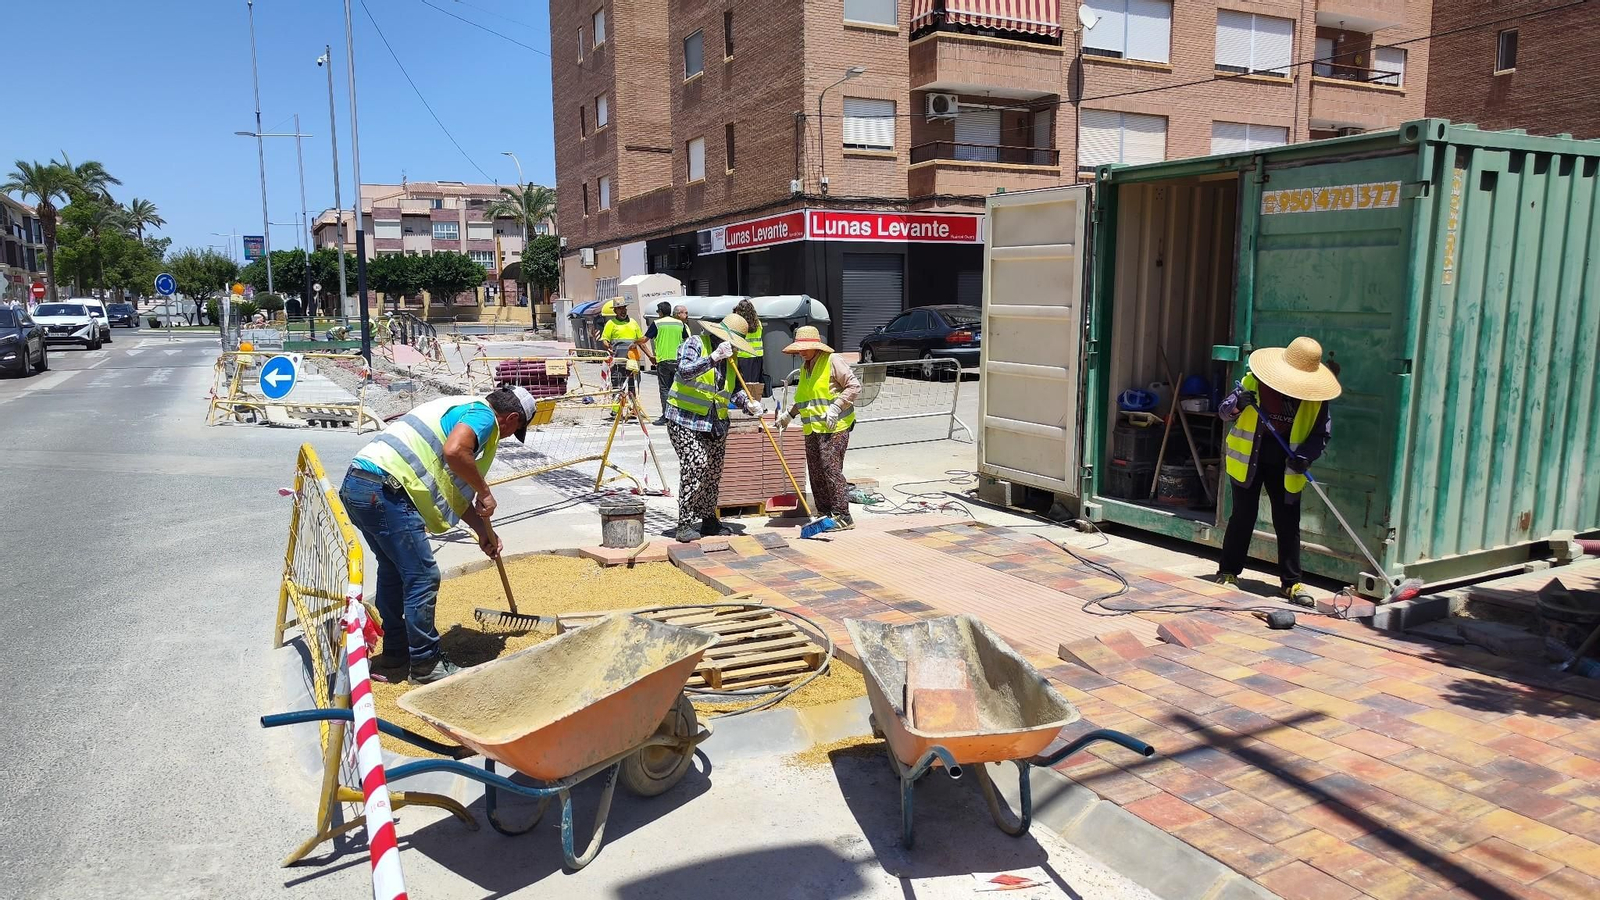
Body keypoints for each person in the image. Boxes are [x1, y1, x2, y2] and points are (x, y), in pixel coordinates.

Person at [340, 385, 538, 683]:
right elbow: (455, 451)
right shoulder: (483, 416)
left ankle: (396, 651)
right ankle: (425, 663)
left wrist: (481, 531)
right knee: (422, 576)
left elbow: (450, 488)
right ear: (511, 419)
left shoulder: (459, 407)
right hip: (386, 491)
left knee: (393, 571)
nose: (508, 436)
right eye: (515, 430)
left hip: (360, 485)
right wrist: (485, 492)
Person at [1213, 336, 1339, 607]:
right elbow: (1223, 412)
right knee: (1243, 516)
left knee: (1287, 521)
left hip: (1288, 465)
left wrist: (1306, 456)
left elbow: (1321, 433)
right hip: (1249, 459)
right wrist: (1238, 404)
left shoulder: (1315, 397)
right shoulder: (1254, 381)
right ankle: (1228, 572)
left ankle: (1291, 583)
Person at [666, 312, 763, 543]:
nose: (733, 347)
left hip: (715, 423)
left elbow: (733, 389)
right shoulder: (695, 344)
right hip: (684, 418)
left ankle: (709, 518)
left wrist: (748, 404)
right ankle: (684, 523)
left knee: (713, 471)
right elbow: (684, 371)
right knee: (696, 463)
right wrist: (713, 358)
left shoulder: (731, 358)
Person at [776, 326, 861, 530]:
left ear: (816, 347)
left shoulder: (832, 361)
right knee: (816, 471)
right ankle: (824, 513)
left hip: (835, 426)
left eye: (805, 348)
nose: (802, 352)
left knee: (830, 469)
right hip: (813, 429)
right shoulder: (805, 367)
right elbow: (805, 399)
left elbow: (854, 386)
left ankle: (842, 515)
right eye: (799, 349)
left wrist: (836, 407)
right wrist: (789, 415)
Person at [599, 298, 650, 418]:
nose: (622, 311)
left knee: (633, 386)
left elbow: (641, 342)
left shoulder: (633, 323)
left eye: (624, 308)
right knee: (618, 385)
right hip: (618, 361)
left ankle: (633, 410)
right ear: (615, 311)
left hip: (632, 361)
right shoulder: (611, 324)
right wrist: (608, 346)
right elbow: (605, 339)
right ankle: (616, 411)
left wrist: (650, 356)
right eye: (619, 309)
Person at [645, 301, 688, 425]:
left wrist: (635, 342)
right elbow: (686, 339)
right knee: (676, 388)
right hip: (677, 360)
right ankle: (677, 415)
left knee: (664, 389)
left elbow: (645, 339)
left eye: (658, 311)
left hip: (663, 360)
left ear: (661, 312)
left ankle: (666, 416)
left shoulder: (657, 323)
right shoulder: (680, 324)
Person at [732, 298, 764, 404]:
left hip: (743, 356)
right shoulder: (758, 323)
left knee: (742, 383)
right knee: (754, 383)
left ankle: (744, 403)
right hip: (757, 355)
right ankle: (755, 402)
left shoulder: (739, 324)